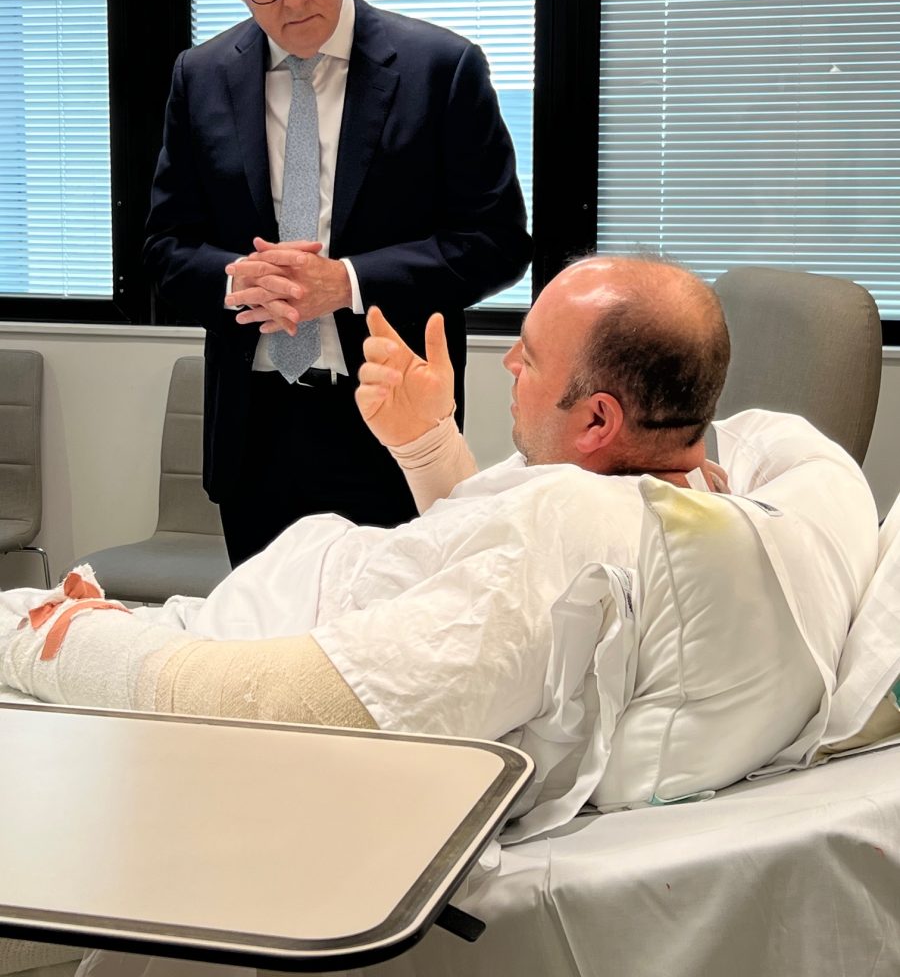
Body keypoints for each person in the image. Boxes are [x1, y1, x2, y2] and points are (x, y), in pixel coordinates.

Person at [0, 256, 877, 839]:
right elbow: (502, 585)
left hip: (212, 669)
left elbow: (273, 701)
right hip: (259, 617)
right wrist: (428, 448)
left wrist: (52, 635)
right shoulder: (781, 477)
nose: (509, 368)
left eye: (528, 358)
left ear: (599, 420)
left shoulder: (577, 534)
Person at [144, 0, 531, 567]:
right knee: (261, 659)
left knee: (392, 659)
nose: (291, 0)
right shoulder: (198, 78)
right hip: (254, 431)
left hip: (392, 427)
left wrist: (346, 282)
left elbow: (498, 241)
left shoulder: (440, 69)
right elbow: (165, 248)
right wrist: (238, 280)